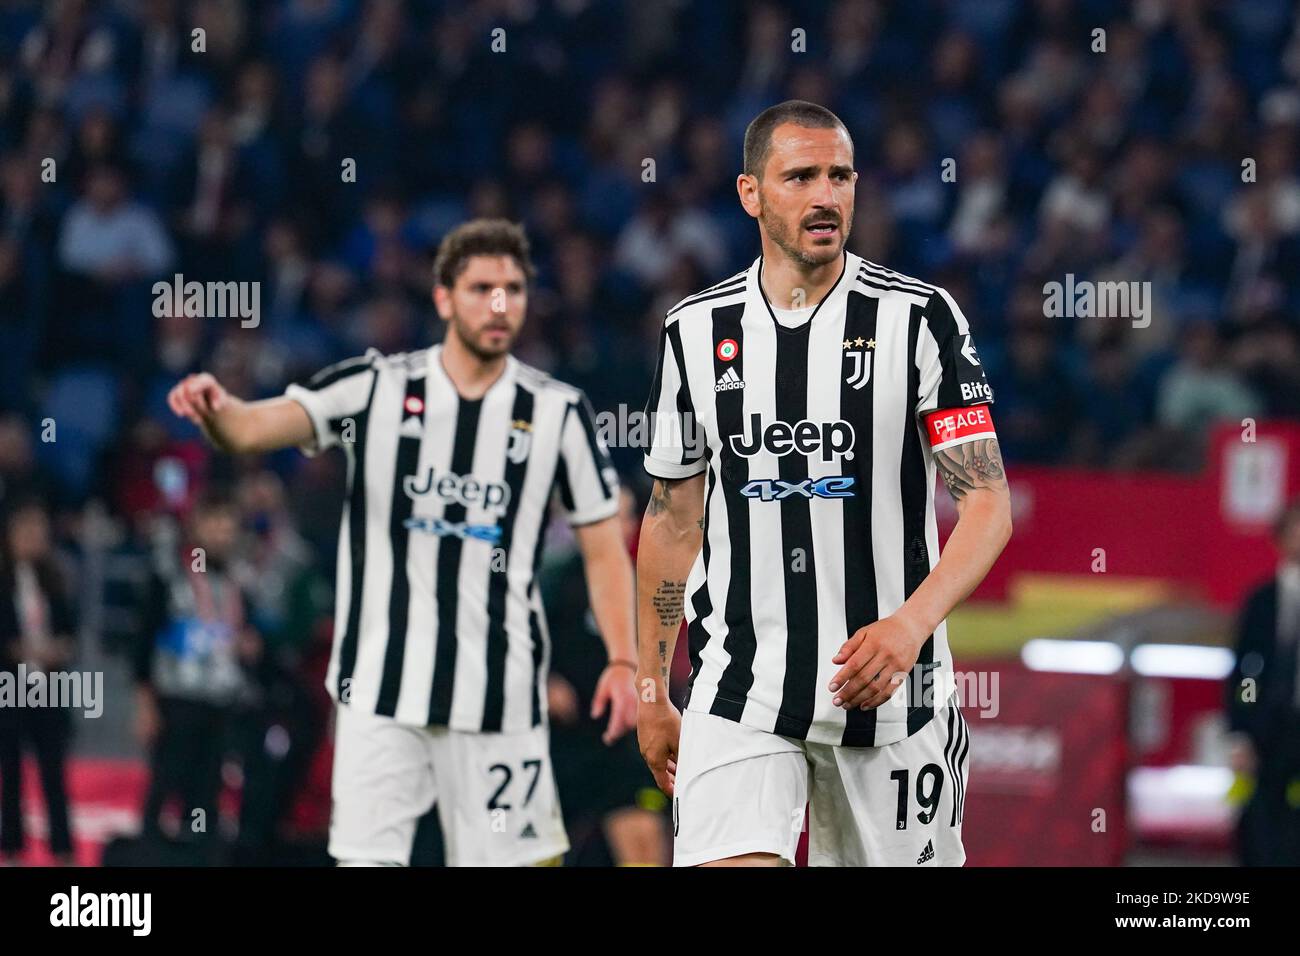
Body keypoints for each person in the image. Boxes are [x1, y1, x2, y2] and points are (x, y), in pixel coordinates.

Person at [166, 219, 638, 867]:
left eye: (514, 290)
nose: (499, 306)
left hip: (501, 700)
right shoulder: (375, 387)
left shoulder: (558, 413)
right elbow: (254, 429)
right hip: (382, 696)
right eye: (481, 289)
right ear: (443, 298)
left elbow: (603, 545)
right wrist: (220, 410)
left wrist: (621, 660)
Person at [635, 100, 1013, 867]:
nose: (825, 196)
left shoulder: (920, 319)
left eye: (839, 176)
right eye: (800, 176)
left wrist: (909, 626)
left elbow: (985, 502)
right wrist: (652, 686)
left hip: (894, 701)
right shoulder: (695, 332)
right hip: (741, 692)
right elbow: (673, 518)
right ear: (751, 194)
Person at [544, 487, 671, 866]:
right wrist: (545, 681)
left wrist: (652, 695)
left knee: (642, 839)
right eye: (608, 517)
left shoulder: (653, 585)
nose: (619, 526)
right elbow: (519, 638)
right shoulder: (553, 577)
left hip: (623, 743)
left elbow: (672, 654)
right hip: (566, 739)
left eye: (627, 516)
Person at [133, 489, 262, 848]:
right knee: (164, 787)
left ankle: (201, 858)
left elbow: (248, 633)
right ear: (196, 526)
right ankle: (147, 860)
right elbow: (144, 641)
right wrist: (145, 704)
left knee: (207, 794)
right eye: (214, 523)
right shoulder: (169, 574)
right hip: (176, 700)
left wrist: (251, 646)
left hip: (222, 701)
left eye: (228, 525)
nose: (222, 532)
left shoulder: (241, 578)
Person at [0, 497, 78, 865]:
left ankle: (62, 849)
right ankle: (12, 848)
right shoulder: (4, 583)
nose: (33, 538)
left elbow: (71, 631)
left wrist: (56, 650)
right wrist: (21, 650)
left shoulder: (57, 580)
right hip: (9, 688)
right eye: (25, 530)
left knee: (53, 771)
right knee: (10, 772)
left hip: (49, 687)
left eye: (38, 531)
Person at [1225, 497, 1300, 865]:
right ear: (1280, 538)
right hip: (1267, 726)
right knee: (1259, 819)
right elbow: (1245, 671)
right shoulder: (1261, 601)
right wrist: (1242, 728)